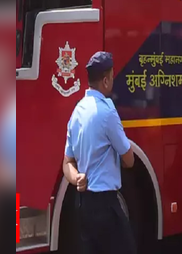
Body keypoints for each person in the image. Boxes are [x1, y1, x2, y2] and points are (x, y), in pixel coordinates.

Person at [62, 51, 137, 254]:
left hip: (84, 203)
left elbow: (67, 162)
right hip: (106, 205)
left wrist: (77, 177)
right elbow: (129, 159)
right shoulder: (107, 112)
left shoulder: (77, 111)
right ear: (105, 80)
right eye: (112, 76)